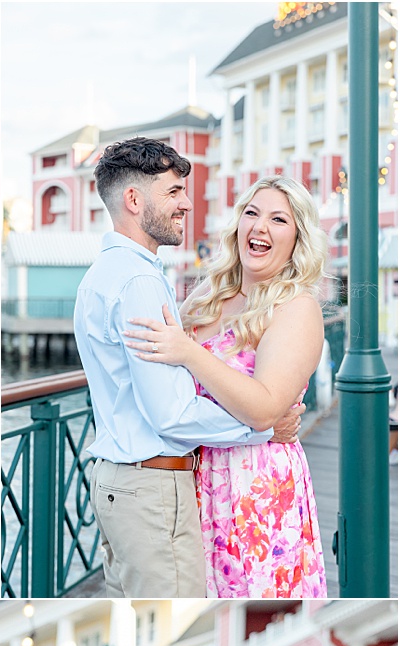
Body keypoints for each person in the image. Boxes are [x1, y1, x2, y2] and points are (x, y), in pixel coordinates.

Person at [73, 138, 300, 597]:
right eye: (174, 191)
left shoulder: (104, 273)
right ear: (135, 200)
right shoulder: (138, 281)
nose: (186, 204)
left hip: (122, 480)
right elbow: (172, 414)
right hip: (152, 488)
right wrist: (263, 430)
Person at [125, 176, 328, 599]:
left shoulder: (297, 308)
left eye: (278, 219)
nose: (259, 227)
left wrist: (188, 351)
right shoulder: (209, 295)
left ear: (298, 238)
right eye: (252, 213)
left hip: (255, 485)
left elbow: (264, 410)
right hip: (194, 475)